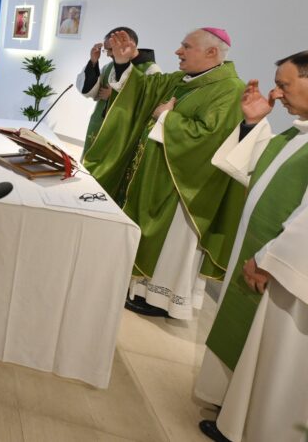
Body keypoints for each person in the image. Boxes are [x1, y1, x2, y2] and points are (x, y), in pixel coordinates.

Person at [84, 28, 247, 320]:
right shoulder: (181, 80)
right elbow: (145, 88)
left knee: (172, 243)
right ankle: (141, 289)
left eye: (186, 46)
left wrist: (166, 118)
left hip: (184, 186)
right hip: (156, 175)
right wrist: (122, 64)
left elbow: (210, 136)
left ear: (212, 53)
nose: (178, 51)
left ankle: (163, 300)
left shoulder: (229, 89)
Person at [194, 51, 308, 442]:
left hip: (286, 272)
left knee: (278, 357)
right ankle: (237, 413)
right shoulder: (298, 134)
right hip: (264, 257)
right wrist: (254, 123)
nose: (277, 92)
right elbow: (249, 168)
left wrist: (269, 259)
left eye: (286, 84)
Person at [77, 27, 160, 155]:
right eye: (107, 50)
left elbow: (149, 104)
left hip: (123, 129)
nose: (109, 54)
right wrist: (93, 62)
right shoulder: (109, 66)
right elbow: (91, 92)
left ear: (128, 43)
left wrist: (114, 96)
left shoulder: (151, 70)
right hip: (100, 122)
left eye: (111, 49)